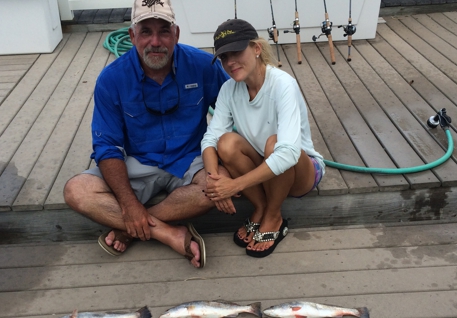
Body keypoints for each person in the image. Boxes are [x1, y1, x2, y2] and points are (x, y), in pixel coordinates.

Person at [63, 0, 229, 268]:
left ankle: (132, 229)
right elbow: (107, 147)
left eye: (164, 31)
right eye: (145, 31)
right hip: (138, 162)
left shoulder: (203, 65)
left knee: (221, 184)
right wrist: (129, 204)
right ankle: (168, 233)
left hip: (191, 158)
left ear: (176, 34)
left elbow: (234, 112)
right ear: (132, 36)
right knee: (76, 191)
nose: (155, 41)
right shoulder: (111, 79)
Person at [201, 19, 325, 258]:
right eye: (224, 57)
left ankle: (273, 215)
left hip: (302, 169)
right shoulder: (228, 89)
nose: (230, 62)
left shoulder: (283, 84)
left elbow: (288, 152)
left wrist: (234, 186)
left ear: (256, 49)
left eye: (236, 52)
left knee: (275, 144)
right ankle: (260, 207)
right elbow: (210, 139)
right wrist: (213, 181)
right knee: (226, 142)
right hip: (265, 166)